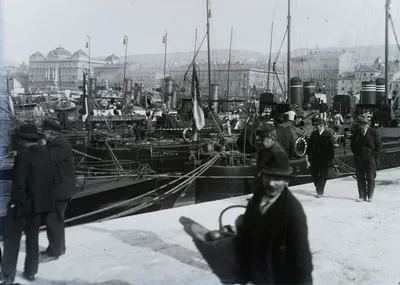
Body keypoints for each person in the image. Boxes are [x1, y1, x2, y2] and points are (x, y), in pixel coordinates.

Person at [235, 150, 313, 285]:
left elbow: (302, 259)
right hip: (256, 276)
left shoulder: (293, 211)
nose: (271, 183)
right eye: (268, 177)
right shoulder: (258, 197)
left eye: (277, 178)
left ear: (286, 180)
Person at [0, 124, 55, 283]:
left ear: (24, 140)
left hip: (22, 206)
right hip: (37, 206)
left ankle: (7, 275)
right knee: (32, 239)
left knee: (11, 240)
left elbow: (19, 184)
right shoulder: (44, 153)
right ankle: (30, 271)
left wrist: (13, 203)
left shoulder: (22, 156)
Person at [40, 119, 76, 262]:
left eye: (43, 131)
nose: (42, 134)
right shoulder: (56, 144)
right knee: (56, 221)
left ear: (50, 133)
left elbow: (45, 161)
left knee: (53, 221)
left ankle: (54, 252)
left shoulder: (60, 145)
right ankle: (57, 248)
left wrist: (41, 147)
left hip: (59, 191)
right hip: (60, 190)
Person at [351, 116, 382, 202]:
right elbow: (353, 145)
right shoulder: (356, 133)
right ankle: (362, 196)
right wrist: (356, 154)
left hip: (370, 158)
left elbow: (379, 146)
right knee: (360, 177)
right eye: (359, 124)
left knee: (370, 177)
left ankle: (370, 195)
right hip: (359, 158)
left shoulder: (374, 132)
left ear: (365, 124)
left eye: (361, 124)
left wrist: (373, 155)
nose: (360, 126)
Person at [305, 117, 335, 198]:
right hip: (315, 158)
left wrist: (331, 159)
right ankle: (318, 186)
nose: (315, 127)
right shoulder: (314, 134)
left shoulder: (328, 134)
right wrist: (307, 155)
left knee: (323, 175)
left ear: (321, 125)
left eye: (317, 125)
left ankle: (320, 191)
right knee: (314, 173)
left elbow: (331, 148)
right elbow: (309, 146)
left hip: (324, 158)